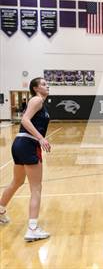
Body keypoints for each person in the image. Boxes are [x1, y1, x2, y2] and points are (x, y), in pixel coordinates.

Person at [0, 77, 51, 241]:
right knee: (36, 187)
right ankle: (33, 228)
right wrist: (41, 138)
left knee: (17, 181)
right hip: (29, 143)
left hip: (20, 143)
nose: (47, 85)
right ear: (36, 88)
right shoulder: (37, 100)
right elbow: (25, 120)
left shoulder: (38, 101)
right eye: (43, 84)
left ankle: (0, 209)